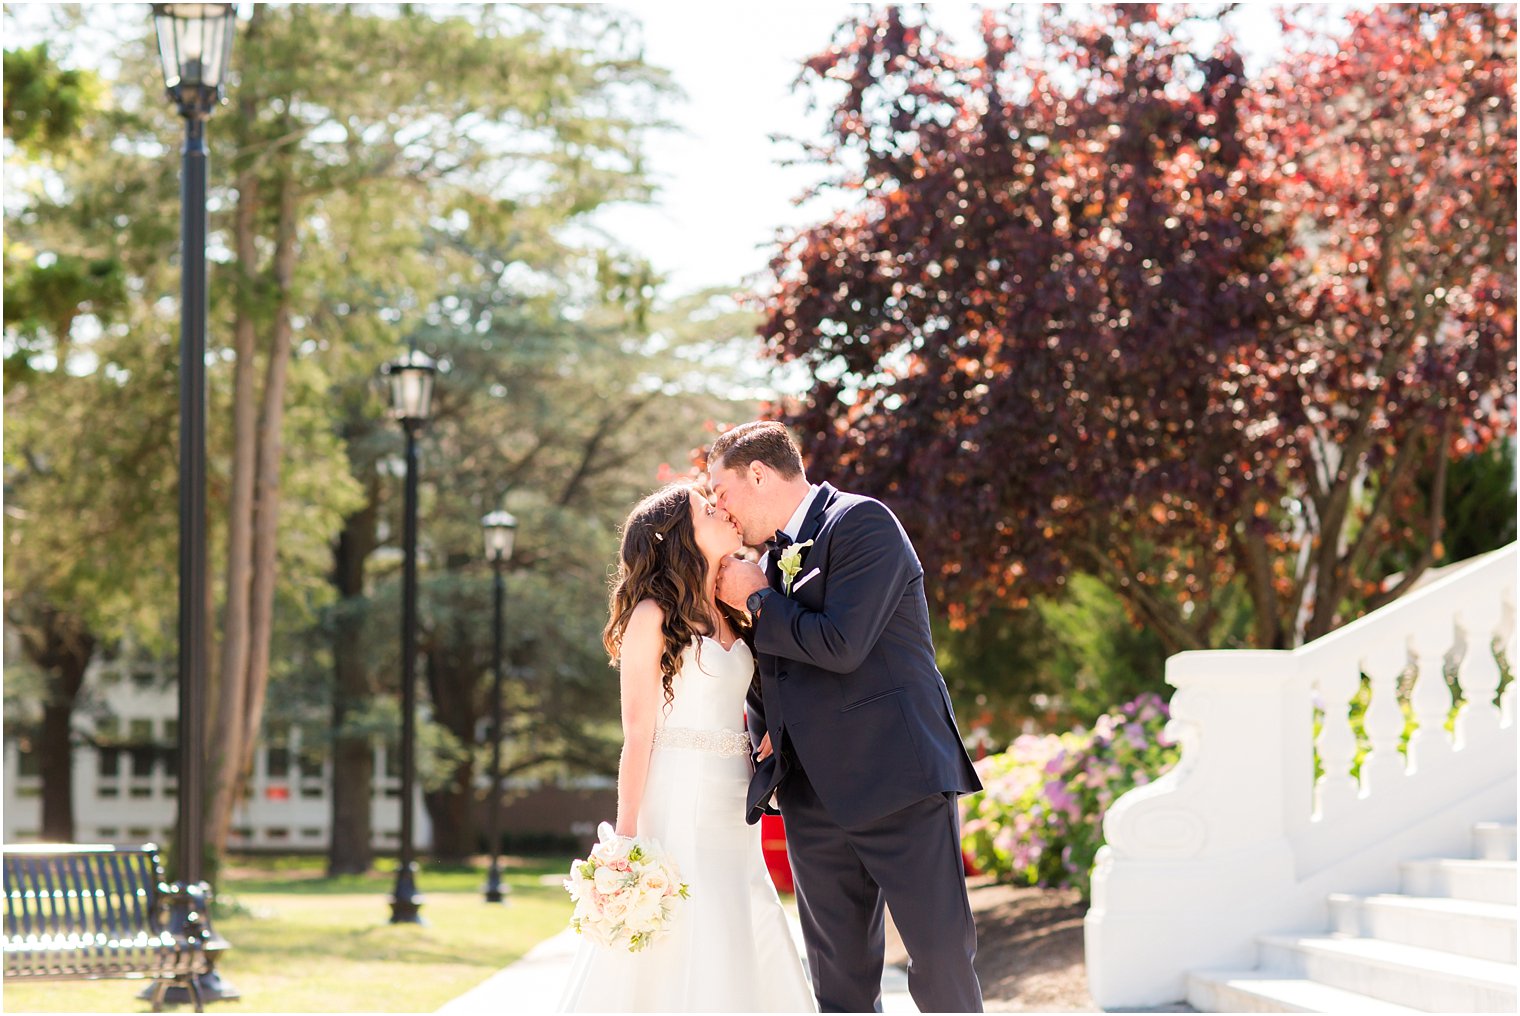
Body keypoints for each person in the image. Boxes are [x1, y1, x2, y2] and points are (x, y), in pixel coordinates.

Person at [711, 420, 985, 1014]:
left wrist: (760, 598)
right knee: (838, 982)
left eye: (723, 491)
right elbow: (771, 672)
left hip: (898, 780)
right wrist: (764, 734)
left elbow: (842, 643)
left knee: (939, 959)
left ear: (758, 474)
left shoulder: (863, 523)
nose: (720, 508)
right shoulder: (771, 557)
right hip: (814, 797)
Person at [558, 482, 817, 1013]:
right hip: (677, 792)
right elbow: (638, 734)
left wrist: (774, 729)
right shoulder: (652, 616)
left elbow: (759, 692)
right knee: (685, 919)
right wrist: (625, 841)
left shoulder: (733, 610)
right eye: (706, 507)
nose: (721, 509)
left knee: (741, 912)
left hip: (734, 795)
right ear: (681, 535)